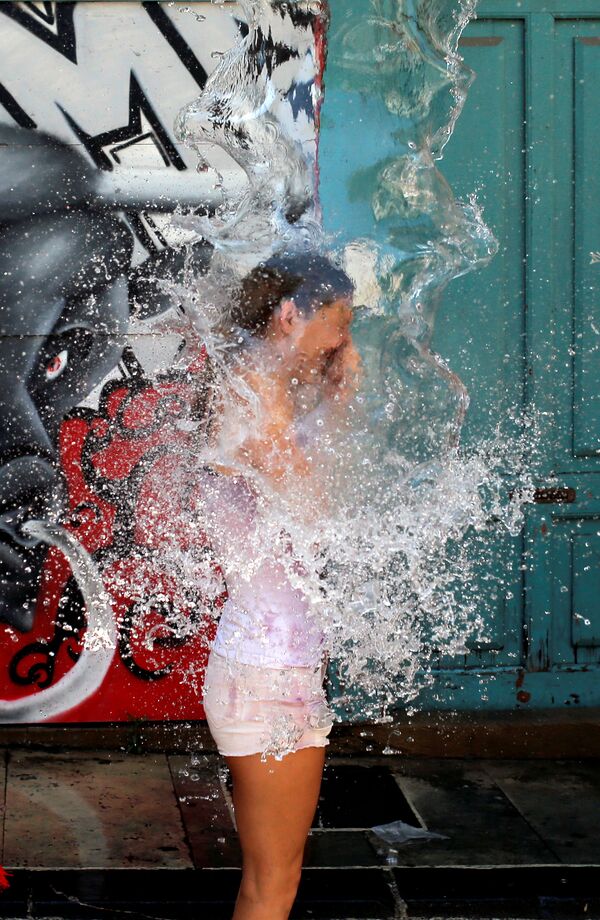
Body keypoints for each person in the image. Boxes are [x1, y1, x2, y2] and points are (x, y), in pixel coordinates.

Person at [196, 251, 361, 920]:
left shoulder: (265, 392)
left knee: (275, 881)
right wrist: (340, 401)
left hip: (275, 668)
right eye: (338, 324)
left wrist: (329, 402)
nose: (343, 342)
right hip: (266, 676)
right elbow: (318, 509)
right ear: (291, 314)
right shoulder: (249, 394)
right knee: (272, 887)